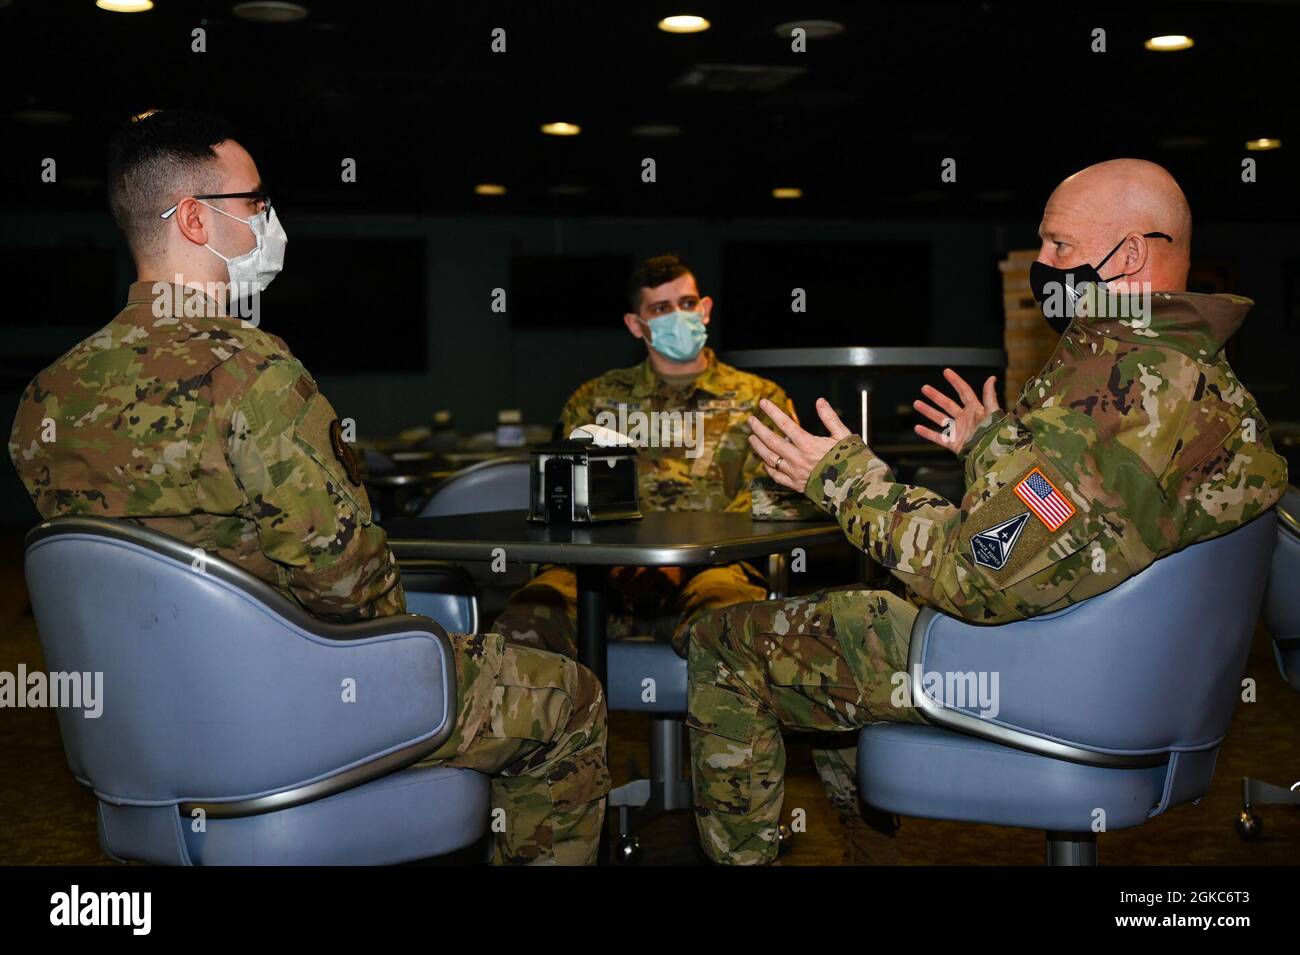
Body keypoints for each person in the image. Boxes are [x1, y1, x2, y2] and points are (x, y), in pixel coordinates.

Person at [7, 109, 608, 865]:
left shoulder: (45, 398)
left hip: (139, 731)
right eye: (256, 202)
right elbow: (347, 581)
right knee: (570, 696)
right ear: (194, 219)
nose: (270, 220)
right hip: (289, 709)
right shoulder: (255, 371)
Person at [686, 158, 1289, 865]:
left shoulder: (1118, 389)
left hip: (1039, 671)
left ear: (1126, 255)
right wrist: (996, 439)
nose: (1044, 263)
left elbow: (973, 576)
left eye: (1060, 246)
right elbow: (1091, 511)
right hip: (1122, 670)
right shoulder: (1193, 373)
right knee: (838, 641)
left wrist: (837, 475)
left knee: (726, 642)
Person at [492, 254, 800, 660]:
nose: (678, 316)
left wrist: (684, 559)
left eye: (687, 304)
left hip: (713, 571)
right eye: (660, 308)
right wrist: (617, 560)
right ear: (636, 325)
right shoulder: (596, 400)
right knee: (524, 624)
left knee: (729, 631)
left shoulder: (759, 400)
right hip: (597, 578)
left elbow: (771, 501)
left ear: (705, 310)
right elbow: (560, 501)